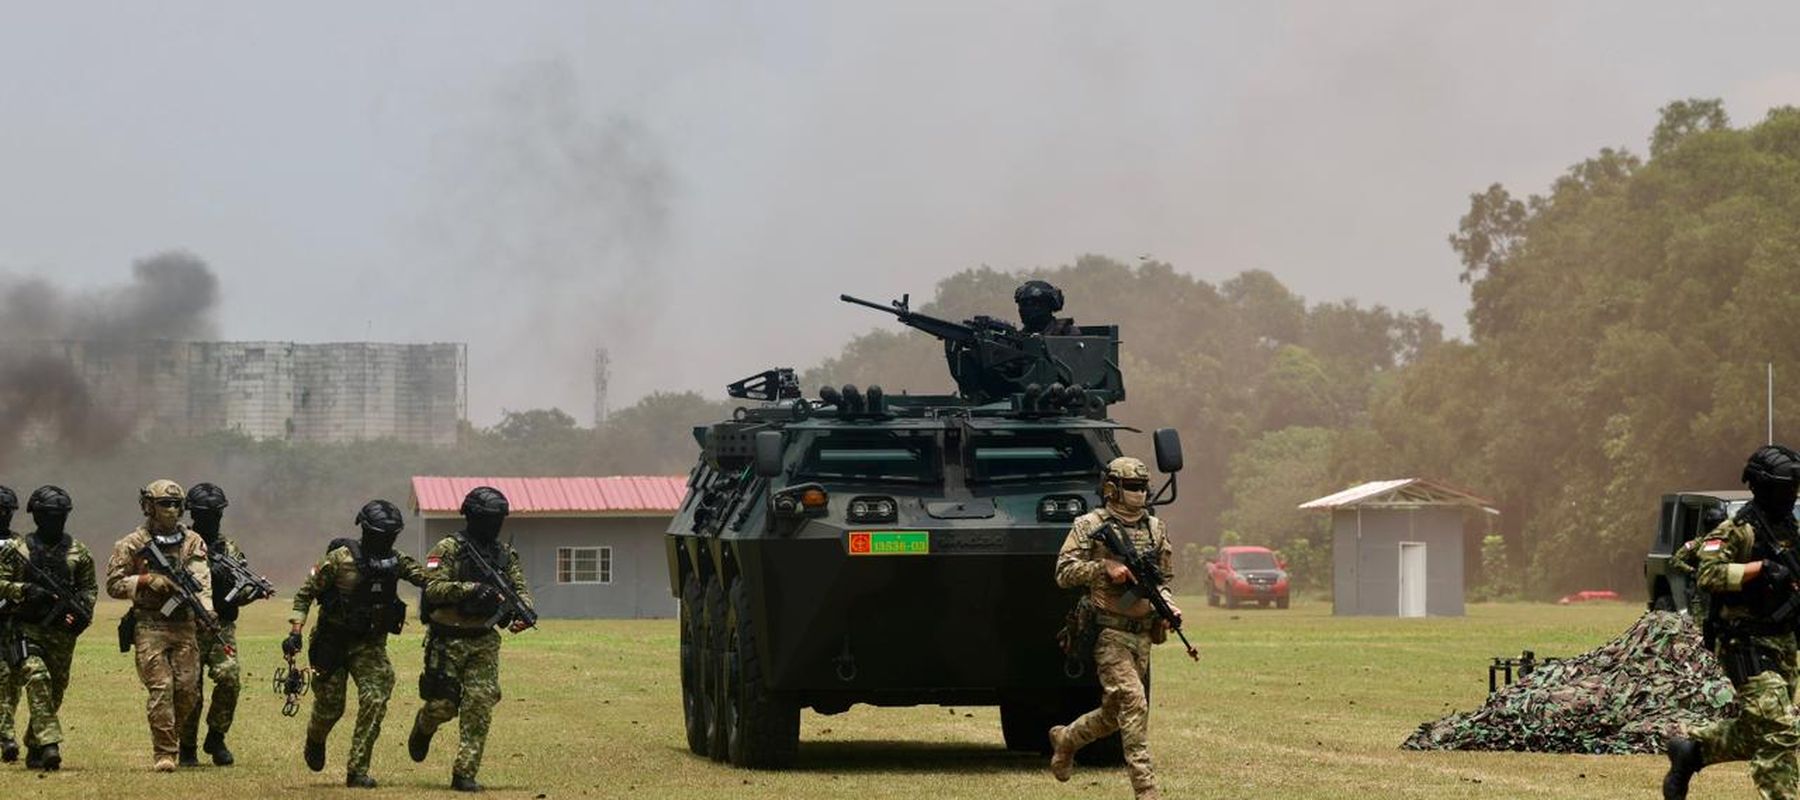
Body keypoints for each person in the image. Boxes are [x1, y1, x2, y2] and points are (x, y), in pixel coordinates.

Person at [1664, 445, 1800, 799]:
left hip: (1783, 642)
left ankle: (1693, 751)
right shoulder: (1737, 530)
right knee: (1781, 729)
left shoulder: (1790, 529)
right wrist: (1759, 570)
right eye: (1788, 487)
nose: (1794, 494)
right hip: (1744, 642)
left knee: (1762, 729)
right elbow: (1707, 575)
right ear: (1766, 487)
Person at [1050, 456, 1181, 800]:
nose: (1140, 493)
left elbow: (1164, 580)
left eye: (1143, 487)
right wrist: (1103, 567)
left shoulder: (1155, 528)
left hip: (1143, 634)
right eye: (1132, 487)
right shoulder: (1089, 524)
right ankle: (1147, 790)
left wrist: (1167, 605)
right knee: (1134, 703)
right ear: (1111, 489)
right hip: (1108, 633)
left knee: (1113, 715)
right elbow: (1063, 573)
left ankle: (1066, 739)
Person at [288, 499, 429, 788]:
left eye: (392, 535)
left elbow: (426, 579)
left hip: (370, 645)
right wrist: (296, 631)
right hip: (332, 642)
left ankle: (358, 769)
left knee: (376, 697)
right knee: (331, 708)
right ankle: (315, 738)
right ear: (366, 530)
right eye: (382, 533)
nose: (387, 540)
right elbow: (304, 594)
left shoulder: (396, 561)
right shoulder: (339, 559)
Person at [409, 486, 535, 792]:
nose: (494, 525)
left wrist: (525, 612)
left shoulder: (505, 555)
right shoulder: (448, 549)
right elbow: (432, 588)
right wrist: (469, 590)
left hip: (483, 640)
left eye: (498, 519)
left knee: (480, 703)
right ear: (473, 517)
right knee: (443, 706)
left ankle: (464, 774)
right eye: (489, 519)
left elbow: (520, 590)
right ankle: (424, 726)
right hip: (446, 639)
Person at [105, 479, 217, 772]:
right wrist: (145, 580)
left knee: (188, 691)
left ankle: (171, 737)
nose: (171, 510)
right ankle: (164, 752)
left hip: (184, 624)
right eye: (164, 504)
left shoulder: (193, 541)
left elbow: (201, 581)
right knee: (162, 688)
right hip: (150, 624)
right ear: (148, 506)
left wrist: (207, 611)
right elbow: (113, 585)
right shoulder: (131, 544)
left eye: (176, 504)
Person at [0, 486, 95, 772]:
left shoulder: (79, 551)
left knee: (55, 691)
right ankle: (50, 743)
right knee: (36, 675)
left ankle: (34, 743)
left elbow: (89, 587)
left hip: (62, 633)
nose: (54, 521)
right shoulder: (18, 551)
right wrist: (25, 590)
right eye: (48, 515)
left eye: (59, 515)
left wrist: (81, 610)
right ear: (36, 516)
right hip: (26, 629)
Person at [180, 482, 258, 767]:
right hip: (187, 626)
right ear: (192, 514)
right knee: (190, 689)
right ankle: (187, 747)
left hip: (221, 627)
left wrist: (236, 592)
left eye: (216, 514)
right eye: (205, 515)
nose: (211, 520)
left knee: (229, 679)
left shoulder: (229, 549)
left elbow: (246, 589)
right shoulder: (180, 544)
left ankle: (216, 735)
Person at [0, 484, 19, 764]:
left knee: (8, 678)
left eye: (5, 511)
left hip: (10, 621)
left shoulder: (20, 545)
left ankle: (6, 735)